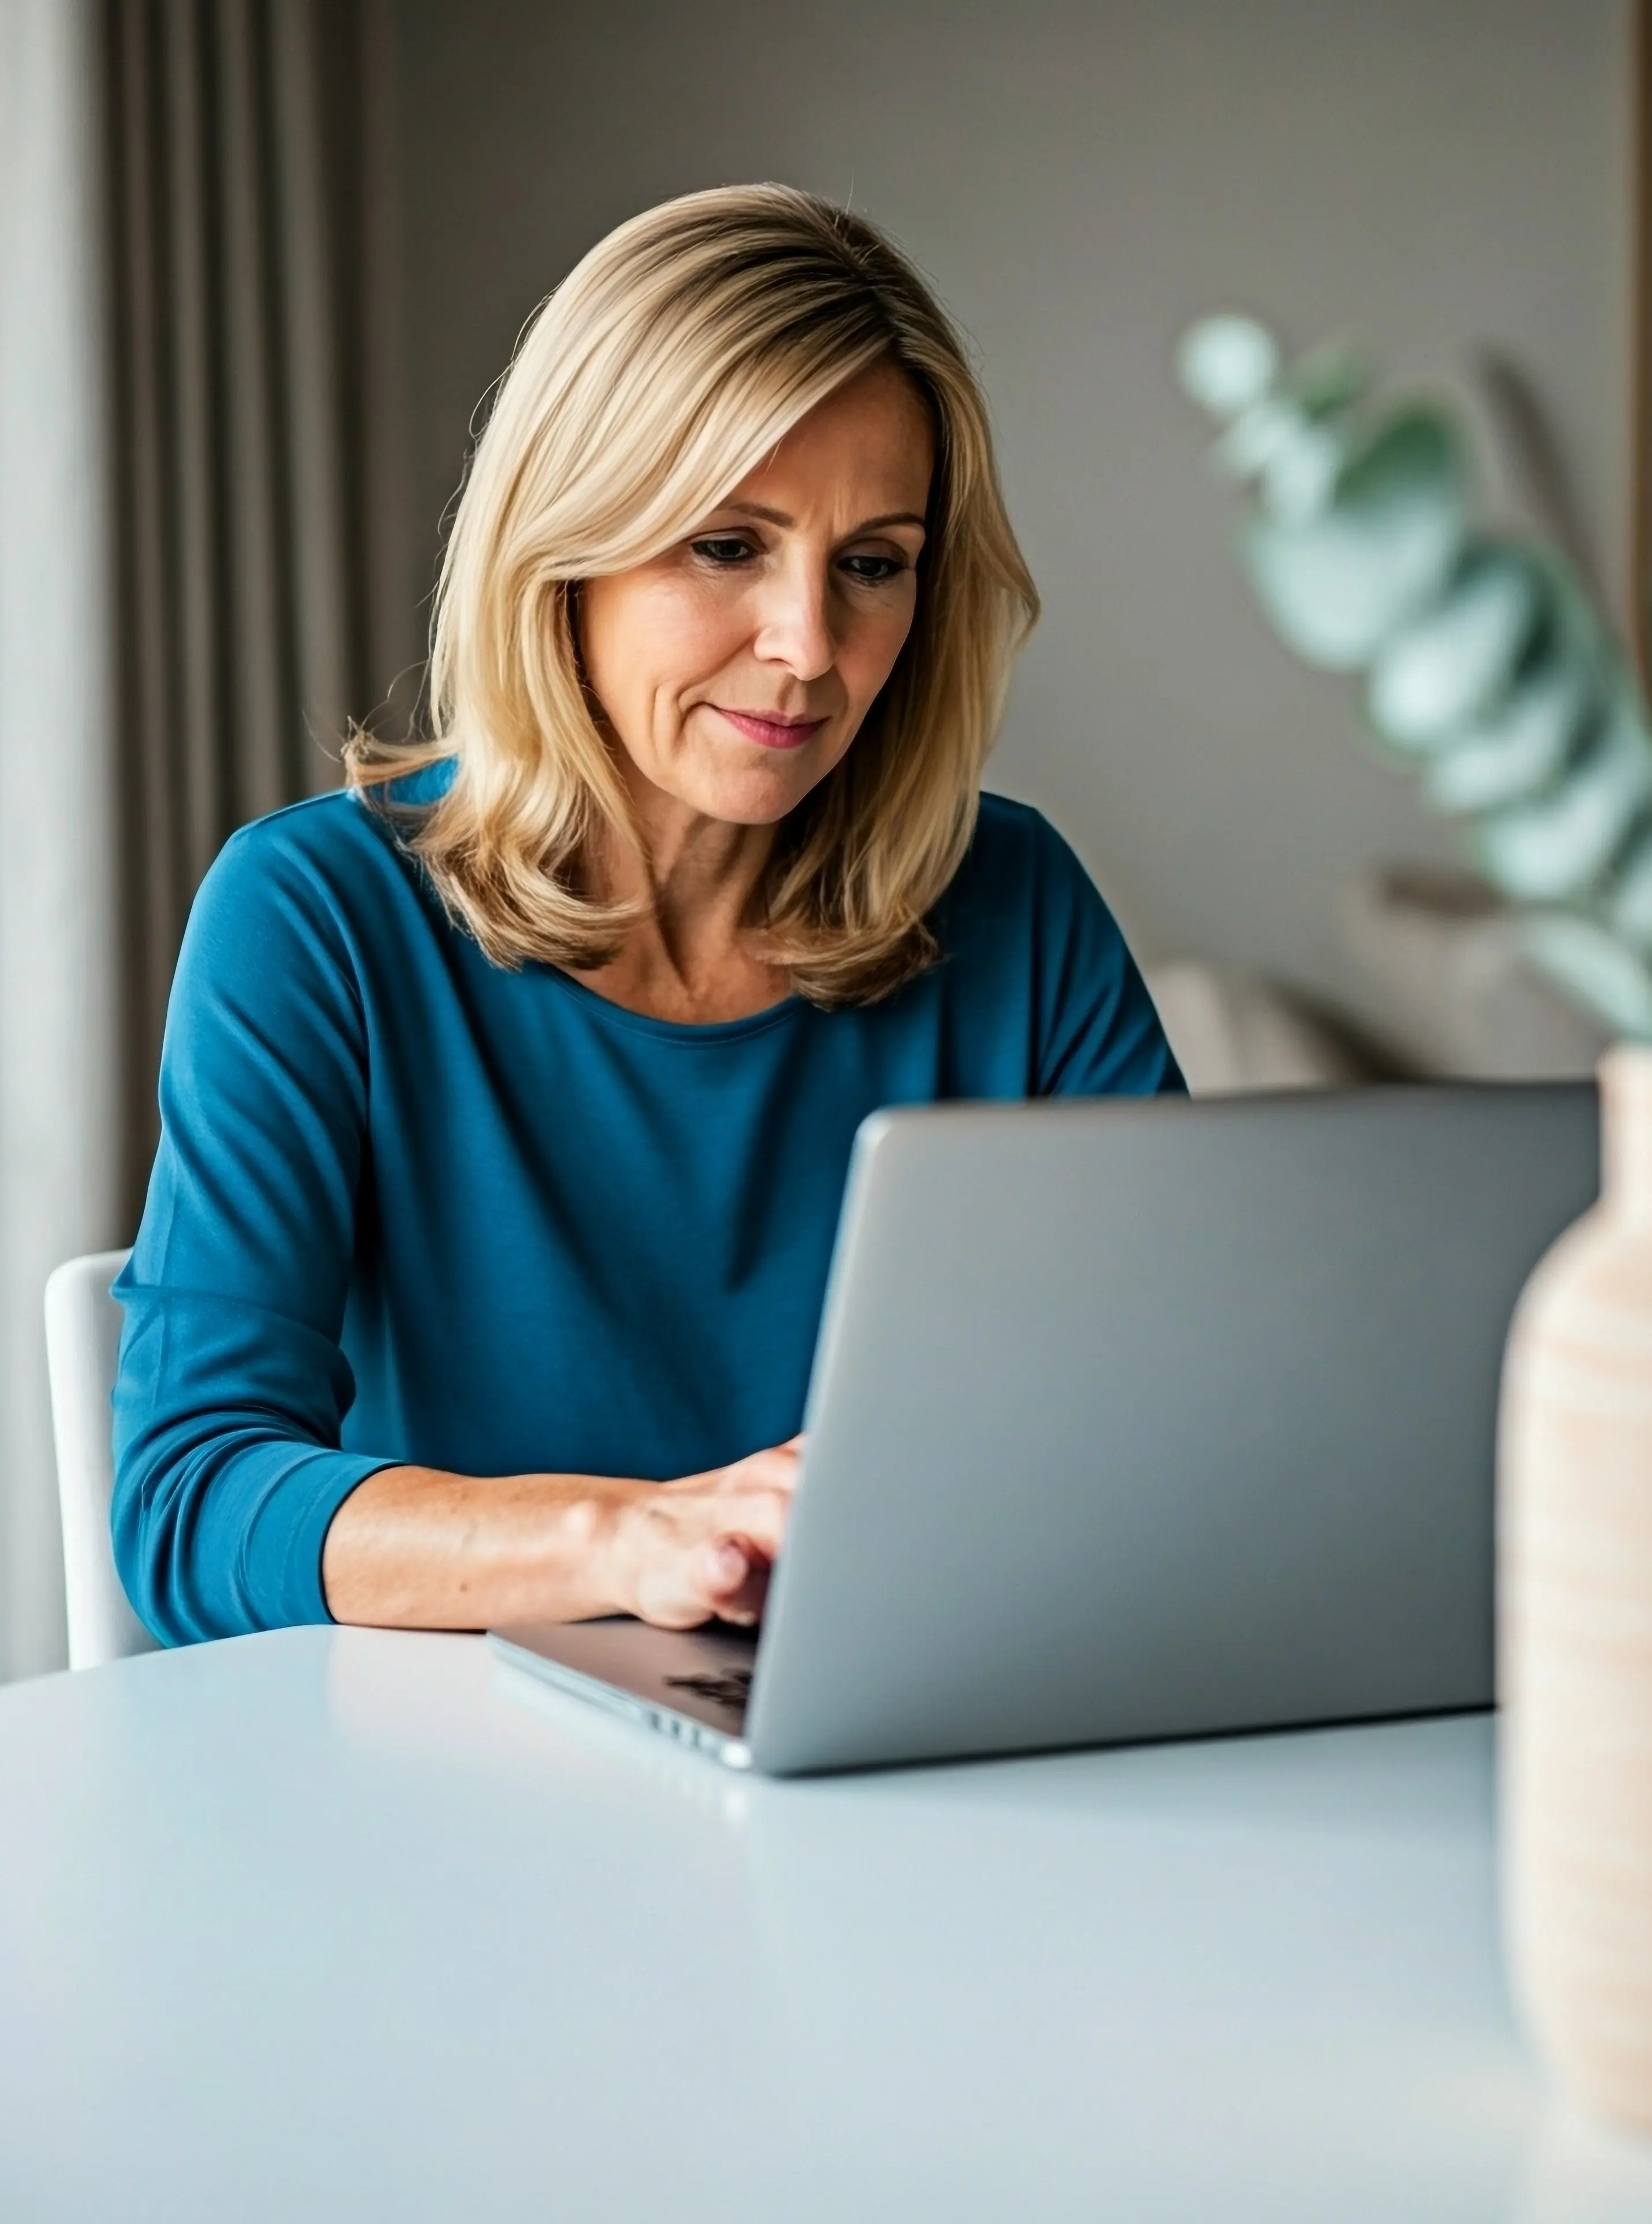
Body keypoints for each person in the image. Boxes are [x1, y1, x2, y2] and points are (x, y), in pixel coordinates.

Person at [112, 184, 1182, 1648]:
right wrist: (632, 1538)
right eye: (727, 547)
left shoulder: (1016, 906)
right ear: (568, 551)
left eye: (872, 564)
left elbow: (1183, 1417)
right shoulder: (318, 917)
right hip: (450, 1782)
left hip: (921, 1745)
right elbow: (191, 1502)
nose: (810, 647)